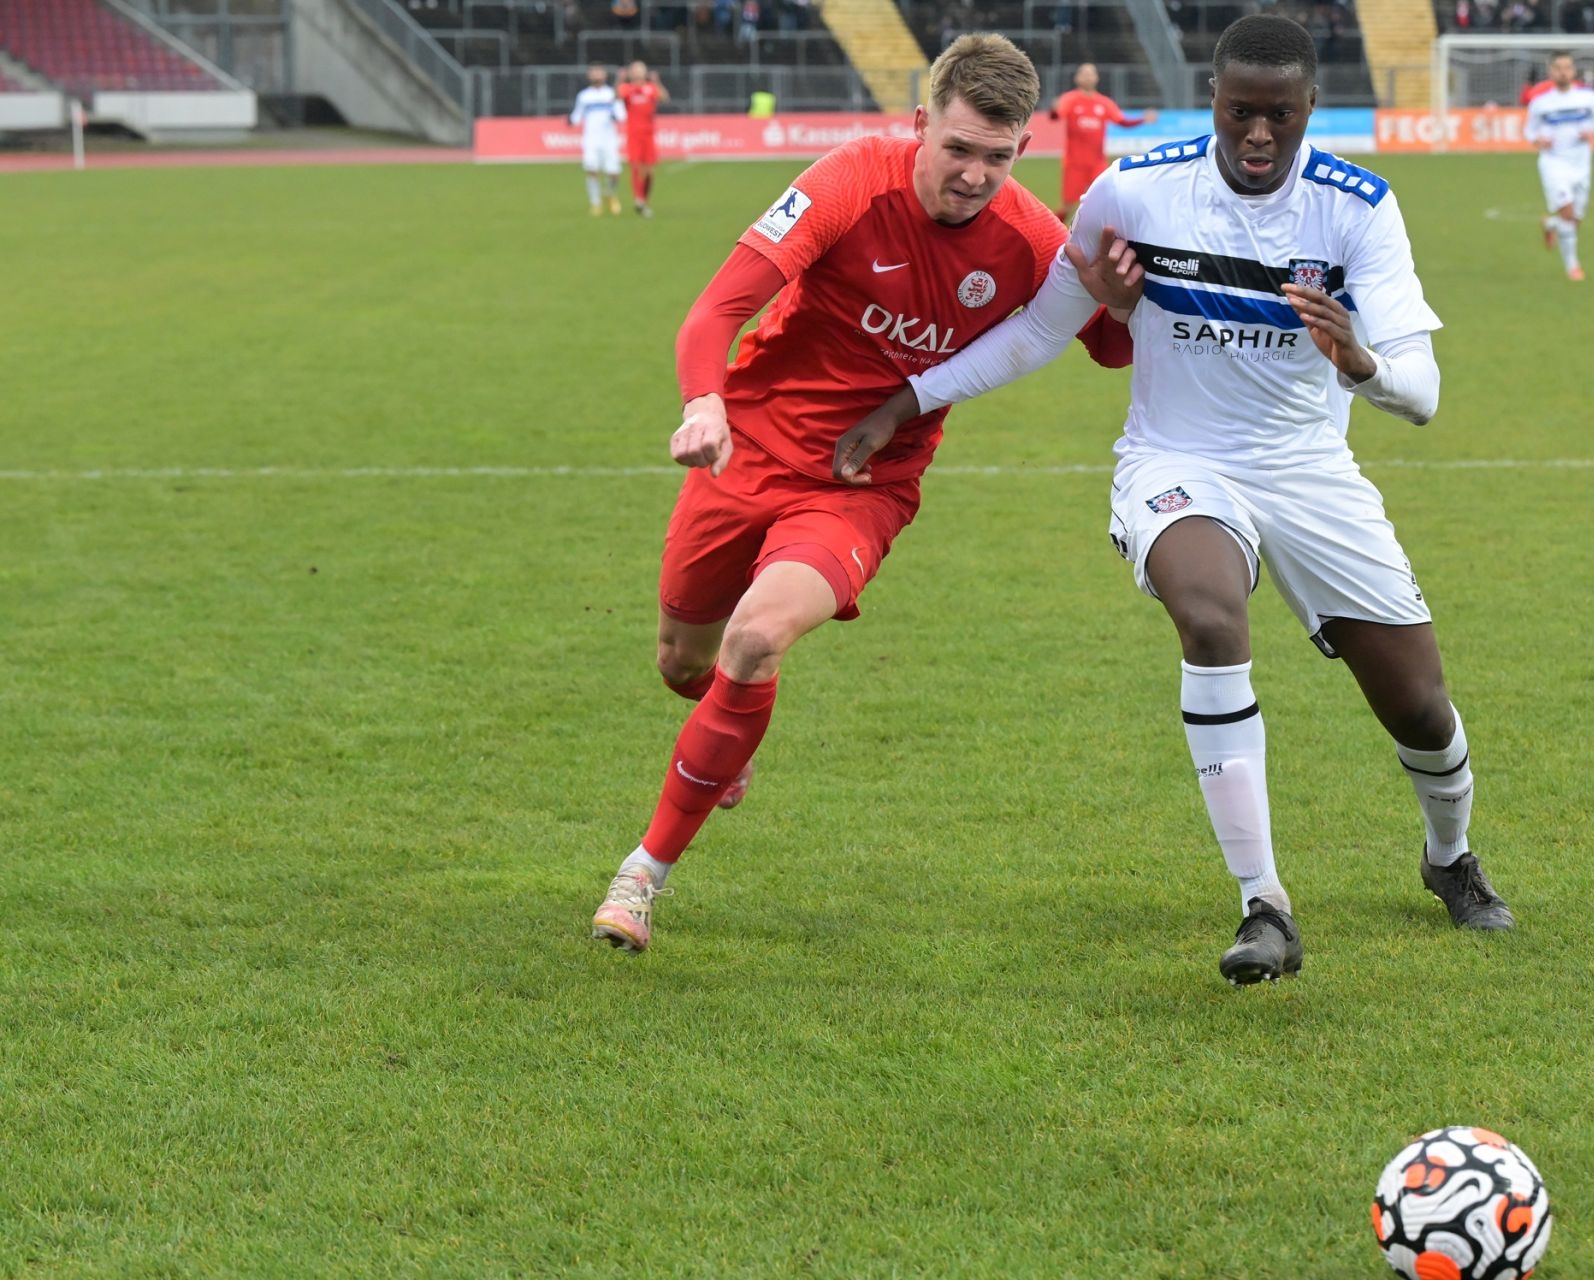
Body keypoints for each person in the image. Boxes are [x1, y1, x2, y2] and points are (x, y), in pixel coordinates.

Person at [835, 14, 1516, 987]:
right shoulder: (1135, 191)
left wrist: (1361, 361)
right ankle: (1264, 903)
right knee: (1207, 612)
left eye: (1279, 116)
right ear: (1214, 101)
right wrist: (908, 397)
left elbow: (1423, 391)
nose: (1257, 137)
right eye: (1240, 113)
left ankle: (1449, 855)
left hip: (1309, 468)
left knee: (1421, 707)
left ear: (1310, 109)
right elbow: (1037, 331)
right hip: (1176, 457)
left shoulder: (1357, 207)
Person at [590, 33, 1135, 952]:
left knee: (756, 638)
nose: (972, 176)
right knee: (683, 663)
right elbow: (717, 309)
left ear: (1022, 151)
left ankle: (642, 877)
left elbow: (1108, 350)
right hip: (749, 448)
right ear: (921, 123)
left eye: (996, 159)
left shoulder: (1035, 240)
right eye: (957, 149)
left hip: (862, 484)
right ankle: (721, 736)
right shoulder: (849, 181)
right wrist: (704, 402)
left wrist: (1117, 301)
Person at [1524, 51, 1594, 282]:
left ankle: (1551, 224)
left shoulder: (1588, 98)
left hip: (1581, 164)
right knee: (1569, 214)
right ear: (1551, 72)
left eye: (1568, 67)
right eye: (1558, 67)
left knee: (1575, 219)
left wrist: (1593, 132)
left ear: (1573, 71)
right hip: (1553, 163)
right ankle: (1573, 266)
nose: (1563, 71)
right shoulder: (1540, 103)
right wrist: (1539, 141)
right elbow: (1529, 132)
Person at [1048, 62, 1156, 221]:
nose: (1087, 76)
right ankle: (1054, 234)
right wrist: (1053, 109)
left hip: (1097, 163)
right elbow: (1056, 115)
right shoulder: (1070, 99)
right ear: (1077, 78)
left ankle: (1104, 236)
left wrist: (1142, 120)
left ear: (1096, 78)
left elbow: (1122, 121)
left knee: (1106, 201)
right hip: (1074, 163)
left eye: (1091, 73)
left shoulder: (1104, 103)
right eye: (1084, 73)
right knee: (1068, 205)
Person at [571, 64, 627, 216]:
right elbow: (577, 115)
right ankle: (595, 202)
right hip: (591, 139)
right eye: (593, 73)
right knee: (592, 170)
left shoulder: (612, 94)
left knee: (613, 172)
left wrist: (615, 116)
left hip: (609, 139)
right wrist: (570, 121)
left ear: (604, 75)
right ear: (589, 76)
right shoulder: (584, 96)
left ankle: (610, 194)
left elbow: (621, 115)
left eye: (599, 72)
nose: (596, 75)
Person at [618, 60, 670, 216]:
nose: (639, 72)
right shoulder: (627, 88)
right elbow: (617, 95)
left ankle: (644, 200)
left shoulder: (651, 88)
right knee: (635, 166)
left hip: (649, 134)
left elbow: (665, 98)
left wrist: (657, 82)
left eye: (641, 69)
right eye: (636, 69)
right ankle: (638, 200)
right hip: (633, 134)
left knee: (649, 172)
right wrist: (620, 79)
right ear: (631, 72)